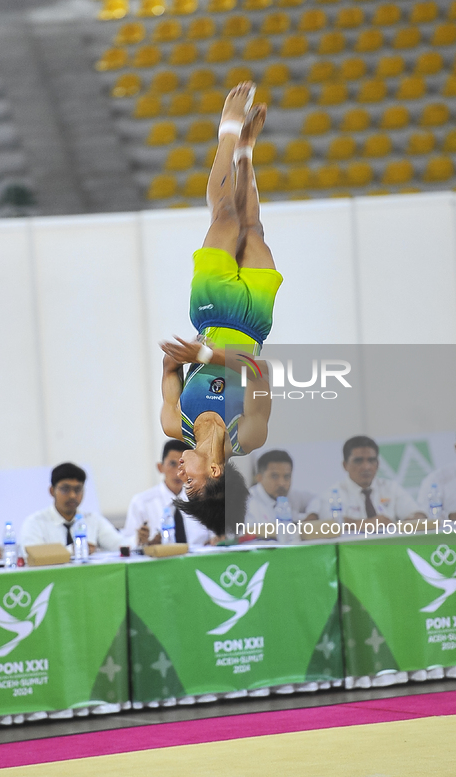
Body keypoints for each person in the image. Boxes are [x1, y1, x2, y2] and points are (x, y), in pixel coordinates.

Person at [159, 82, 283, 537]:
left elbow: (173, 365)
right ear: (213, 476)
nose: (179, 474)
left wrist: (177, 360)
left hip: (210, 314)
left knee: (225, 217)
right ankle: (246, 154)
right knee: (253, 227)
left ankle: (228, 132)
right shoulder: (248, 436)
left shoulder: (176, 422)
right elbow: (260, 371)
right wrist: (206, 359)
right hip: (253, 322)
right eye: (187, 482)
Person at [315, 436, 425, 527]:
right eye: (358, 461)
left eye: (371, 460)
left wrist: (395, 526)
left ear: (377, 464)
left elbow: (419, 515)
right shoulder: (333, 494)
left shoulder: (391, 488)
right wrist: (366, 524)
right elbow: (329, 524)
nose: (366, 467)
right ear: (345, 465)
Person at [123, 440, 212, 548]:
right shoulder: (142, 503)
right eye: (173, 464)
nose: (179, 472)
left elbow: (216, 537)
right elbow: (126, 543)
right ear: (160, 467)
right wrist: (141, 541)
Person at [21, 463, 122, 552]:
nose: (72, 495)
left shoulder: (92, 520)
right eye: (65, 489)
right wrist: (73, 550)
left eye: (78, 489)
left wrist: (137, 540)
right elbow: (32, 555)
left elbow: (120, 544)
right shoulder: (35, 522)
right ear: (52, 491)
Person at [245, 449, 318, 527]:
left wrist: (313, 514)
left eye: (286, 477)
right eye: (275, 476)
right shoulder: (247, 503)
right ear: (259, 478)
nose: (282, 483)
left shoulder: (292, 496)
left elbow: (317, 499)